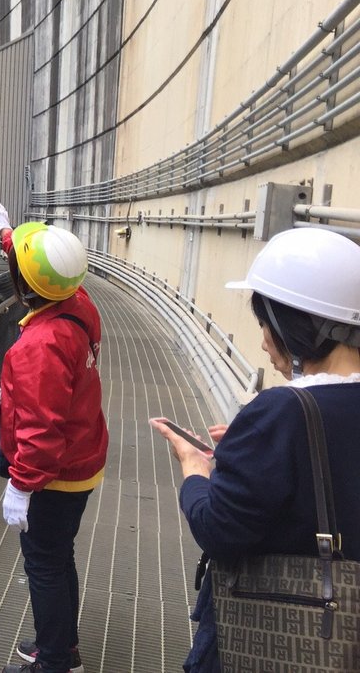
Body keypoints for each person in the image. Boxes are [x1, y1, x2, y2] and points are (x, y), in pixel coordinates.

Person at [150, 226, 360, 672]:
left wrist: (195, 469)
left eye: (265, 323)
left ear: (293, 326)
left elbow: (219, 530)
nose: (263, 340)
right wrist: (253, 453)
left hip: (274, 628)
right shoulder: (296, 417)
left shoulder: (282, 412)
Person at [0, 197, 108, 673]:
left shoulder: (39, 346)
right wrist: (6, 234)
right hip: (81, 458)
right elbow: (45, 270)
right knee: (59, 557)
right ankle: (64, 645)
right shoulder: (79, 302)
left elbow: (39, 430)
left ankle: (55, 661)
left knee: (43, 564)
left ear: (24, 287)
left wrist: (21, 485)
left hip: (53, 477)